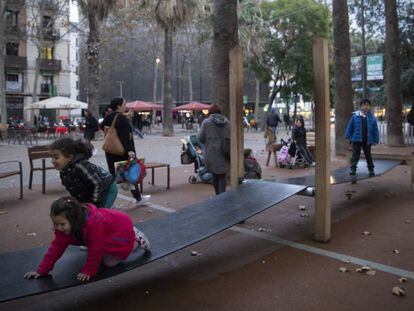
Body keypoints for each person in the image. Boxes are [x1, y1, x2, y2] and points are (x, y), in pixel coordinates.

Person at [24, 196, 150, 282]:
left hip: (121, 230)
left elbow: (96, 249)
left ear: (74, 220)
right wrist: (42, 271)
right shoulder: (64, 226)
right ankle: (95, 241)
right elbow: (56, 248)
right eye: (56, 224)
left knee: (109, 263)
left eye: (62, 224)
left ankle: (136, 239)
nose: (58, 228)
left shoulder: (94, 224)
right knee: (98, 247)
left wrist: (89, 271)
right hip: (105, 232)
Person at [101, 97, 148, 204]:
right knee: (130, 174)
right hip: (122, 152)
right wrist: (130, 151)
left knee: (114, 177)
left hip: (110, 150)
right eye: (124, 104)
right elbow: (125, 137)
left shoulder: (109, 117)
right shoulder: (121, 119)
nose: (125, 106)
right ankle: (138, 199)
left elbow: (102, 126)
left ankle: (109, 202)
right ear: (118, 106)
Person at [49, 137, 117, 208]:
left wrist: (94, 204)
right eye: (51, 157)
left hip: (107, 188)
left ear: (69, 157)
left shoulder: (81, 166)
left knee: (99, 213)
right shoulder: (64, 171)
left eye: (56, 157)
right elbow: (74, 189)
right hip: (92, 191)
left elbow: (98, 184)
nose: (52, 161)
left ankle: (111, 214)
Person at [198, 104, 230, 195]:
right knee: (222, 176)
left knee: (214, 175)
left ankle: (218, 196)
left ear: (210, 112)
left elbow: (200, 138)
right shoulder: (227, 122)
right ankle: (222, 197)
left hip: (210, 153)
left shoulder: (206, 122)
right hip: (225, 152)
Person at [345, 98, 379, 176]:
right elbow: (350, 127)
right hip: (356, 140)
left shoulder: (372, 118)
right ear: (361, 106)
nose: (365, 107)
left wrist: (376, 140)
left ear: (370, 107)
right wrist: (347, 136)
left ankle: (371, 169)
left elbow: (375, 130)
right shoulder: (355, 116)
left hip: (367, 140)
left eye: (367, 105)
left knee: (368, 155)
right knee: (355, 155)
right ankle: (353, 169)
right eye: (364, 105)